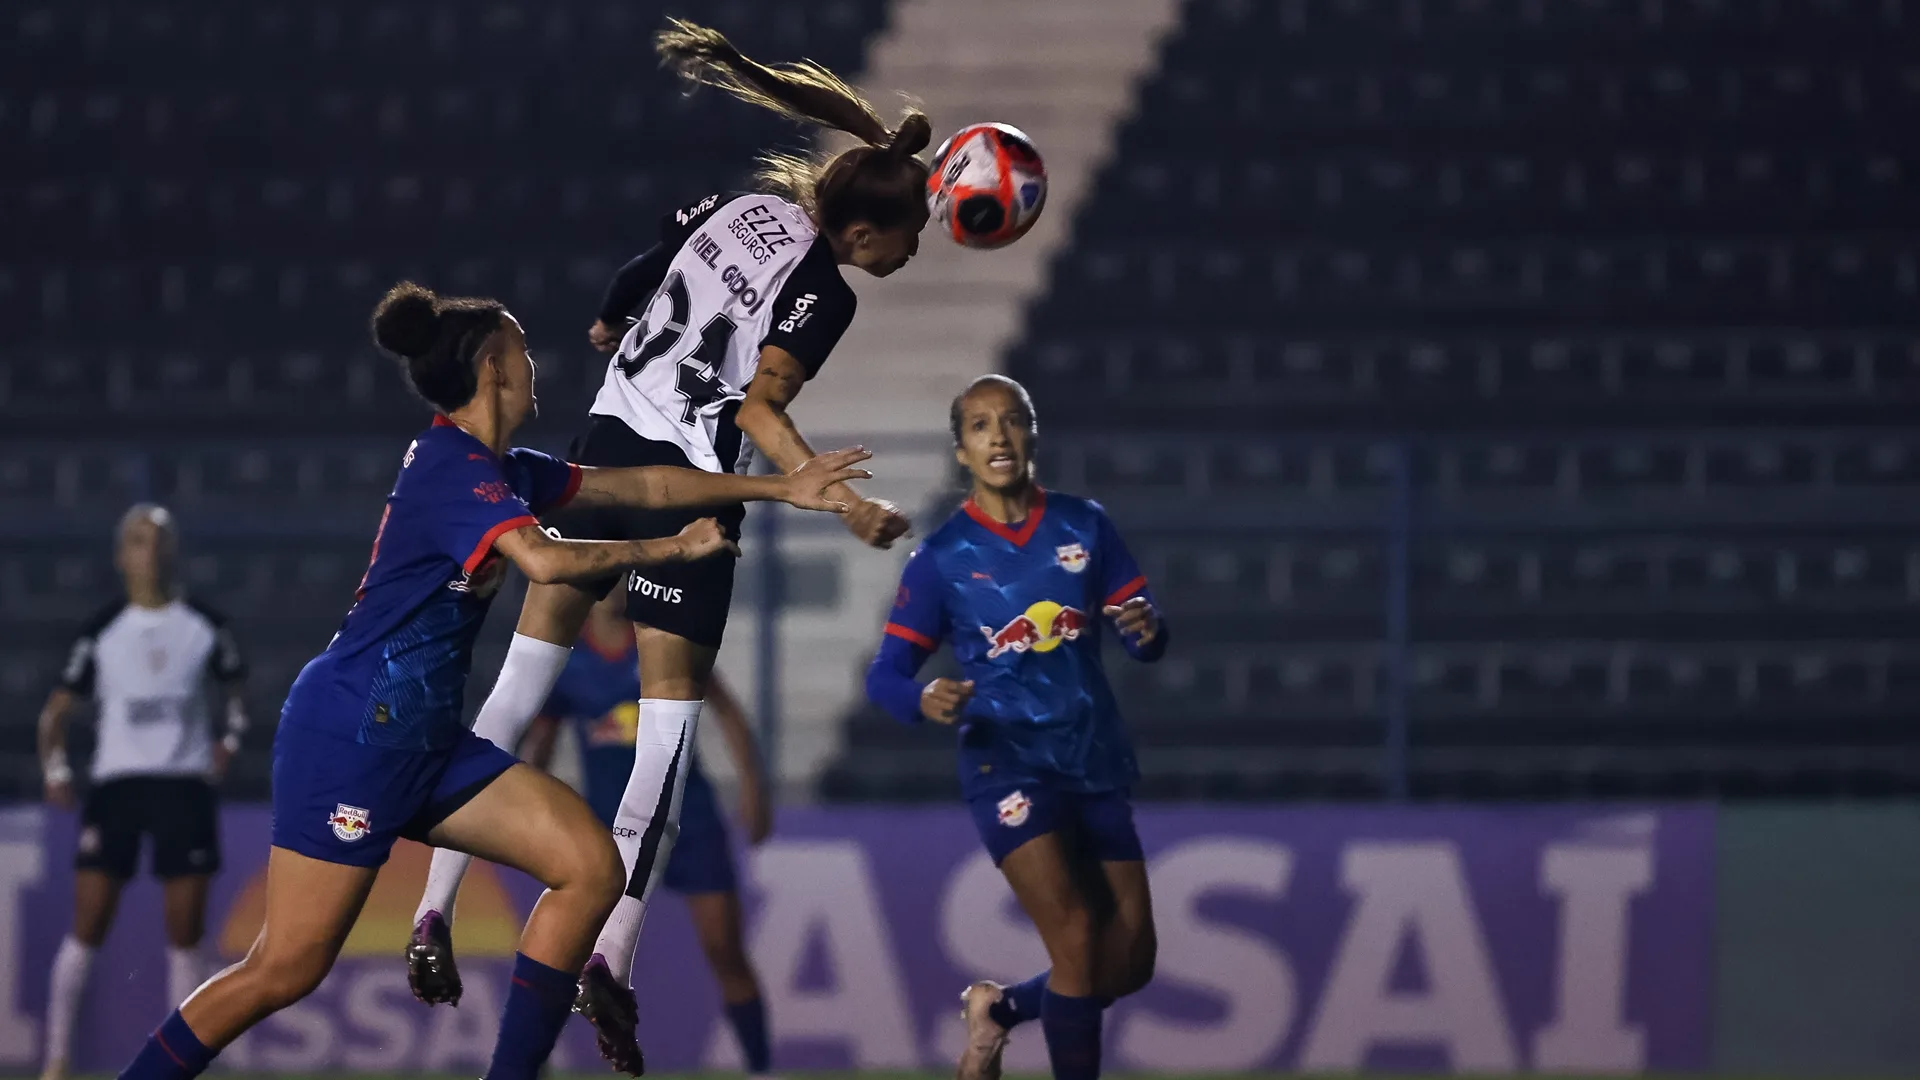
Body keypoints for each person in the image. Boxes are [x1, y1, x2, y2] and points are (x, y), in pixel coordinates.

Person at [112, 281, 870, 1080]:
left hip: (428, 743)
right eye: (519, 346)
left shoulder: (502, 468)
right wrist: (668, 552)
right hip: (354, 736)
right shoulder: (450, 464)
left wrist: (780, 488)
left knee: (590, 869)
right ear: (495, 369)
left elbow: (641, 485)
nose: (532, 359)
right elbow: (547, 560)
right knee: (284, 970)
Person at [406, 17, 925, 1070]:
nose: (913, 251)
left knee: (515, 689)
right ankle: (614, 955)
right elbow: (766, 401)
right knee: (665, 742)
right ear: (868, 237)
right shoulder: (827, 290)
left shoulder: (748, 207)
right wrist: (822, 492)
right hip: (686, 493)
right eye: (912, 234)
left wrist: (608, 322)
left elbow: (647, 263)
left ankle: (430, 911)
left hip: (600, 456)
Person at [864, 375, 1168, 1080]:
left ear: (1032, 434)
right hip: (1008, 762)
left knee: (1127, 964)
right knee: (1076, 936)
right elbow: (884, 675)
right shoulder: (943, 557)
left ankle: (997, 1011)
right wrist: (921, 698)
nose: (998, 435)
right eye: (979, 426)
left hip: (1092, 753)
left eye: (1011, 421)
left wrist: (1147, 632)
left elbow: (1143, 631)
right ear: (962, 450)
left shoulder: (1084, 525)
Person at [517, 587, 777, 1079]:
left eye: (624, 572)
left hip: (689, 820)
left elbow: (726, 710)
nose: (615, 583)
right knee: (569, 953)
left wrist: (753, 787)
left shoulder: (662, 641)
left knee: (725, 949)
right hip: (609, 835)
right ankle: (530, 1058)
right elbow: (541, 746)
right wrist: (530, 820)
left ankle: (762, 1070)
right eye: (607, 573)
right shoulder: (568, 660)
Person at [36, 505, 248, 1080]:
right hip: (118, 787)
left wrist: (228, 740)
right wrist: (55, 769)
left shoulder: (205, 624)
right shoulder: (102, 630)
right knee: (88, 926)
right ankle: (56, 1059)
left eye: (157, 540)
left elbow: (236, 694)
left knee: (185, 935)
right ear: (120, 555)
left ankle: (184, 1063)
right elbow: (55, 713)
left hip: (183, 787)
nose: (148, 551)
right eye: (136, 540)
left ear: (172, 551)